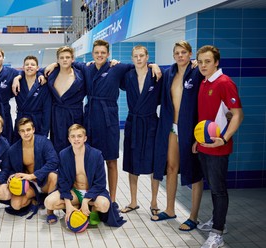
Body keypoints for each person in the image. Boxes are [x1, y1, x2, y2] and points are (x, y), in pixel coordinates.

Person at [46, 39, 161, 202]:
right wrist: (53, 64)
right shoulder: (86, 67)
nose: (99, 55)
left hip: (109, 121)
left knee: (111, 160)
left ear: (108, 54)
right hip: (90, 119)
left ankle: (112, 200)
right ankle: (89, 196)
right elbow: (66, 62)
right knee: (88, 160)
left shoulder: (117, 67)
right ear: (92, 54)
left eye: (103, 53)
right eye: (97, 52)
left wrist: (153, 65)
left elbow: (138, 65)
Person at [195, 45, 243, 248]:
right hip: (205, 146)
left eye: (208, 61)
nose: (203, 65)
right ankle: (216, 219)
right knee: (213, 188)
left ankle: (217, 233)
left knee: (218, 190)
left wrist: (223, 139)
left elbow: (238, 114)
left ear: (216, 62)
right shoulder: (205, 82)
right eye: (200, 62)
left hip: (218, 148)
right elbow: (206, 117)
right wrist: (198, 140)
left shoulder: (225, 83)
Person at [152, 40, 204, 232]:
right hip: (171, 127)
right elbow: (151, 69)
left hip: (190, 128)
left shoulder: (197, 72)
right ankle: (170, 209)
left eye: (184, 52)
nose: (180, 56)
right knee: (171, 167)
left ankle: (193, 217)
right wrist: (152, 64)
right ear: (173, 55)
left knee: (194, 171)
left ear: (190, 54)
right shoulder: (169, 74)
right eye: (177, 53)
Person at [44, 124, 126, 227]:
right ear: (69, 139)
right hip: (75, 192)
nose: (76, 139)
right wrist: (68, 205)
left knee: (104, 205)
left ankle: (93, 210)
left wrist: (86, 200)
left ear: (85, 138)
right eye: (73, 136)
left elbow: (100, 184)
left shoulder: (96, 155)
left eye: (79, 136)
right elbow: (62, 182)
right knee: (49, 202)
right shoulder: (63, 155)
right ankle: (76, 207)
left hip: (92, 193)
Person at [119, 45, 162, 216]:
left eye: (142, 56)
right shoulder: (128, 76)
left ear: (147, 56)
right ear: (132, 58)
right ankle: (133, 201)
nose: (139, 59)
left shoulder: (157, 75)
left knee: (153, 163)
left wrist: (154, 65)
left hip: (151, 122)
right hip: (133, 122)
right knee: (132, 164)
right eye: (135, 56)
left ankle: (154, 202)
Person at [5, 117, 58, 221]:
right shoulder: (13, 150)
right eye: (22, 131)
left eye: (28, 130)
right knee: (15, 205)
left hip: (44, 182)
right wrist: (11, 175)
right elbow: (9, 168)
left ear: (33, 129)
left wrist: (33, 175)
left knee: (54, 176)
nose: (26, 133)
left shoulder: (44, 142)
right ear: (19, 133)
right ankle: (37, 199)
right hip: (29, 185)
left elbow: (54, 162)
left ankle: (50, 212)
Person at [47, 46, 86, 153]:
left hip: (74, 114)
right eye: (62, 57)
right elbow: (34, 71)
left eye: (67, 57)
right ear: (57, 60)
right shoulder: (51, 74)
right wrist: (19, 77)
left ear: (72, 59)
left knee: (76, 144)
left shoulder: (81, 75)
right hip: (57, 115)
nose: (65, 60)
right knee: (57, 145)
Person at [11, 56, 51, 143]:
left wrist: (45, 131)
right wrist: (16, 78)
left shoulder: (43, 84)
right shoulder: (17, 83)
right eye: (27, 64)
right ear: (23, 68)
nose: (29, 66)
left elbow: (47, 110)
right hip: (21, 119)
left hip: (37, 121)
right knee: (20, 148)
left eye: (32, 64)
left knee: (37, 147)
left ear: (37, 68)